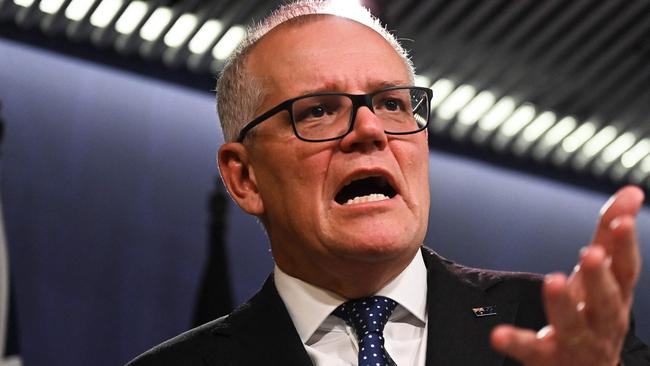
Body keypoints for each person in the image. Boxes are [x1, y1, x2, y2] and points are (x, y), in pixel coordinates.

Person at [127, 1, 650, 365]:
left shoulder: (566, 335)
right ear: (244, 178)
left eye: (393, 104)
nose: (370, 130)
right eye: (318, 112)